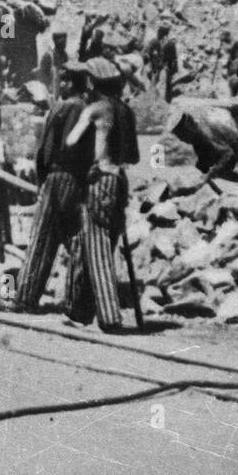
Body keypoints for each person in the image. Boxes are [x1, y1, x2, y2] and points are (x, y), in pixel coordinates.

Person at [2, 63, 94, 314]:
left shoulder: (65, 108)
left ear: (69, 83)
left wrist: (43, 181)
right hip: (75, 179)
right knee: (76, 239)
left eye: (63, 81)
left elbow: (50, 150)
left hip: (59, 177)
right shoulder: (82, 108)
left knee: (43, 238)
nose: (60, 84)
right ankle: (77, 302)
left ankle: (25, 298)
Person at [64, 58, 139, 330]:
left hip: (99, 179)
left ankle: (108, 317)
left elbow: (71, 142)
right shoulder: (126, 111)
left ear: (94, 82)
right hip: (120, 180)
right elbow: (133, 155)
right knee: (98, 243)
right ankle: (77, 311)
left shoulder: (95, 109)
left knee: (96, 247)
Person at [145, 25, 179, 102]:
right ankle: (153, 99)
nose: (157, 34)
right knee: (154, 82)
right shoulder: (155, 41)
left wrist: (170, 68)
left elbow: (173, 58)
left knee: (163, 84)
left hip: (163, 67)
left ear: (163, 33)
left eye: (159, 32)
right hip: (156, 66)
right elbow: (148, 50)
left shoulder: (170, 43)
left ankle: (162, 101)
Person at [37, 32, 70, 104]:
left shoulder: (65, 56)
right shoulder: (48, 56)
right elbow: (42, 75)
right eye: (62, 42)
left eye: (65, 41)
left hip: (62, 90)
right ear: (55, 41)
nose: (64, 44)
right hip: (51, 91)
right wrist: (48, 87)